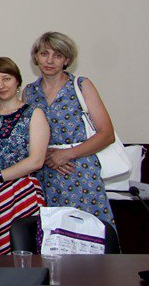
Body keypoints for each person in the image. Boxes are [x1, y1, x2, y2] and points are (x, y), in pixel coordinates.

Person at [23, 32, 116, 226]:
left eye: (57, 55)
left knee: (89, 232)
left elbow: (107, 134)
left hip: (81, 172)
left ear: (66, 60)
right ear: (36, 57)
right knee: (51, 234)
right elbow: (24, 137)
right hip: (45, 174)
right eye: (44, 54)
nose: (50, 60)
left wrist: (67, 154)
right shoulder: (29, 92)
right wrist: (46, 155)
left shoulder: (81, 85)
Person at [0, 57, 48, 255]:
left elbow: (36, 161)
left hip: (21, 196)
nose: (1, 86)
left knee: (21, 256)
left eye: (6, 79)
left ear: (17, 80)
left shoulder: (34, 113)